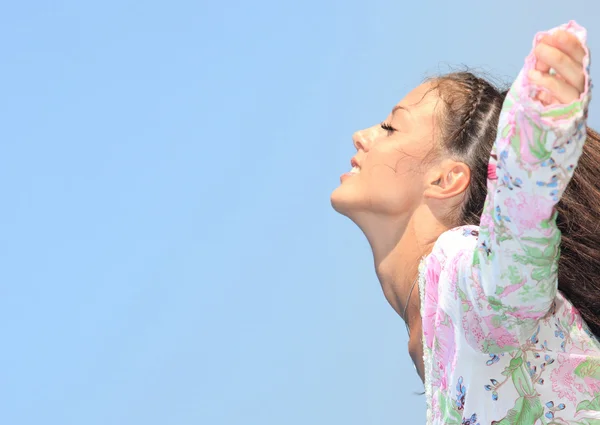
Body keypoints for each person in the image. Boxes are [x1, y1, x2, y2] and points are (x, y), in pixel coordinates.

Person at [331, 21, 600, 424]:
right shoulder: (431, 329)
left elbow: (514, 260)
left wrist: (537, 136)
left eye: (389, 128)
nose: (361, 135)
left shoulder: (456, 265)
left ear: (445, 180)